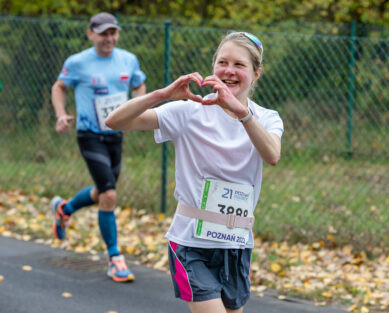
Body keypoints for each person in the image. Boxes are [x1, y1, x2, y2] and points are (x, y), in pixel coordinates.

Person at [106, 31, 283, 312]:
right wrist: (161, 95)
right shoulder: (188, 112)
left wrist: (242, 113)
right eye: (222, 62)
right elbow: (114, 121)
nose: (229, 71)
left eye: (239, 65)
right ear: (213, 67)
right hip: (190, 243)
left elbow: (272, 154)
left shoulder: (266, 118)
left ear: (256, 73)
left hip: (236, 244)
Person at [50, 12, 147, 282]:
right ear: (90, 34)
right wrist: (60, 114)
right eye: (103, 33)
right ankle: (115, 258)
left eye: (113, 32)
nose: (109, 38)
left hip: (117, 134)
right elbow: (59, 87)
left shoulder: (128, 59)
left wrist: (137, 110)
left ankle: (65, 209)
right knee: (110, 194)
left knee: (102, 193)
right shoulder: (77, 62)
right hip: (89, 134)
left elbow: (139, 86)